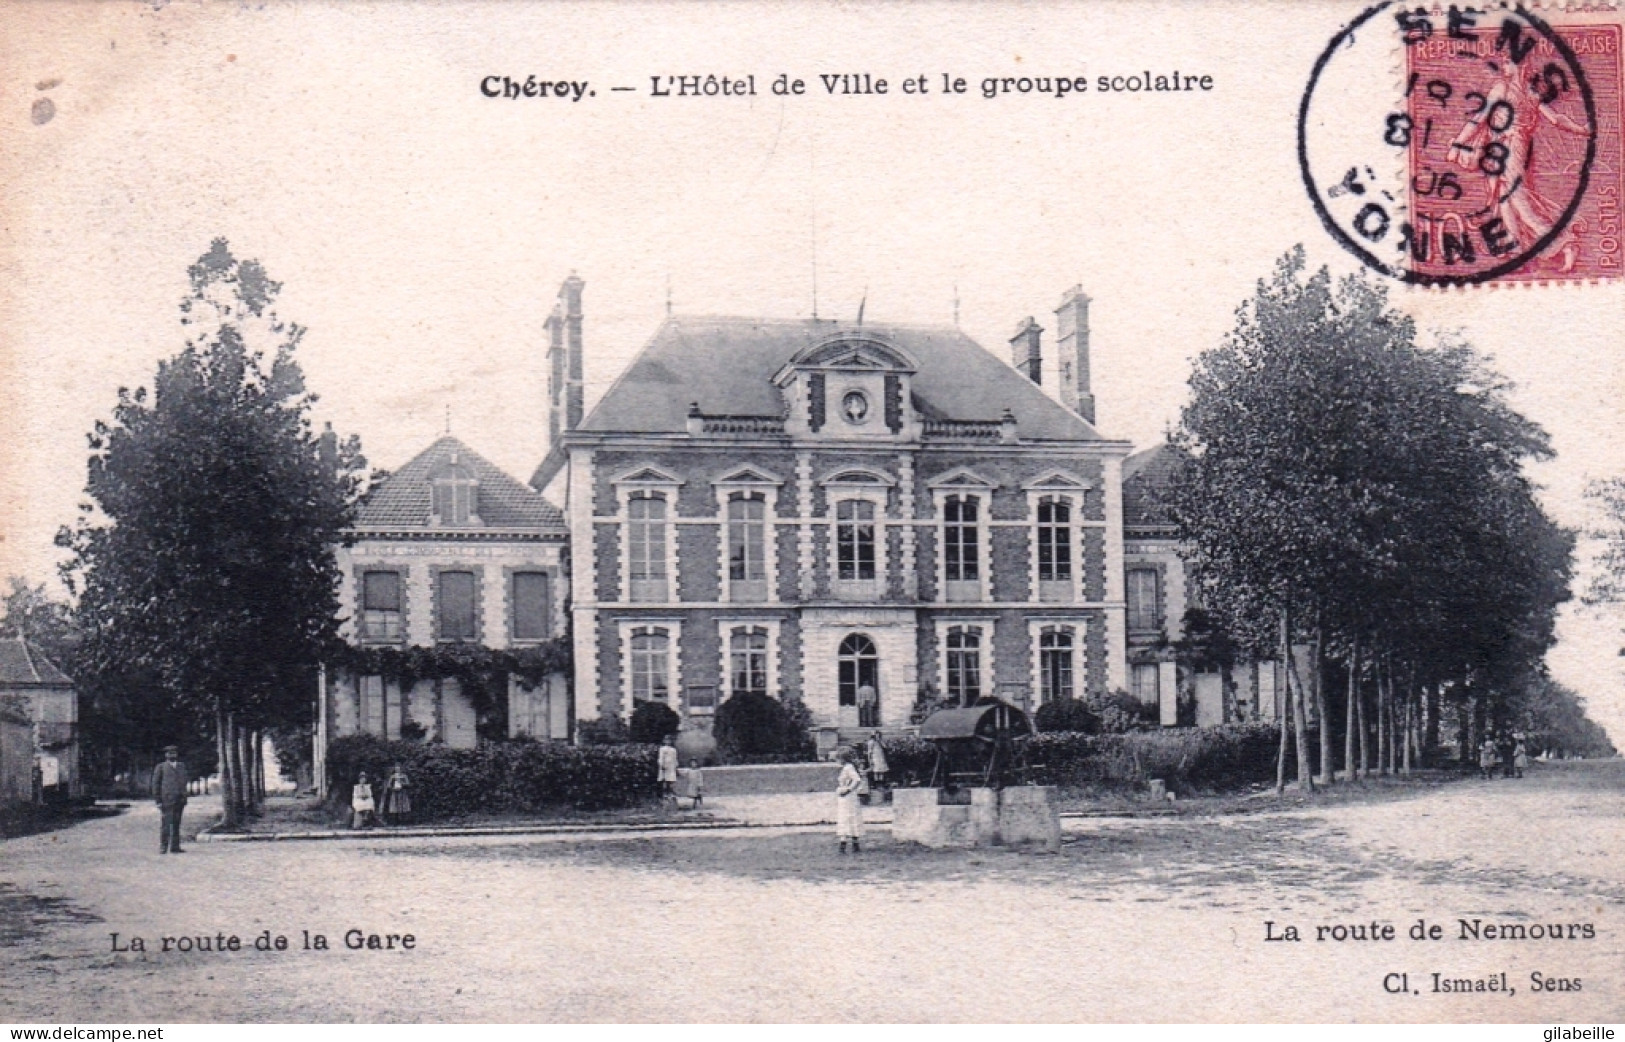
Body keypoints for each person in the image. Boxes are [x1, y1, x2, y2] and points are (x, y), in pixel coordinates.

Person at [152, 744, 189, 854]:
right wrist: (158, 800)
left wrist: (184, 796)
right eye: (169, 753)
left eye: (174, 753)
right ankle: (163, 846)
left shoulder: (181, 766)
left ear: (177, 754)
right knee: (166, 824)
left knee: (177, 823)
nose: (172, 755)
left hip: (180, 799)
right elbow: (156, 784)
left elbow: (184, 782)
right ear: (166, 755)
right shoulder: (161, 767)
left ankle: (175, 846)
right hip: (166, 800)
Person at [835, 748, 864, 854]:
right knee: (847, 817)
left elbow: (857, 780)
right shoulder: (847, 767)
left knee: (848, 817)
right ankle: (852, 843)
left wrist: (848, 790)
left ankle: (846, 844)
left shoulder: (848, 767)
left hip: (848, 797)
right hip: (846, 797)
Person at [657, 735, 679, 804]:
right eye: (666, 740)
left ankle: (671, 795)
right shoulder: (662, 749)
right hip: (664, 767)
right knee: (664, 781)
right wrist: (662, 765)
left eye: (669, 740)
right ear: (664, 741)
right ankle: (664, 796)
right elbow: (661, 758)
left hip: (671, 767)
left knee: (671, 781)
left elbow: (675, 759)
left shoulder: (673, 750)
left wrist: (676, 767)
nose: (668, 741)